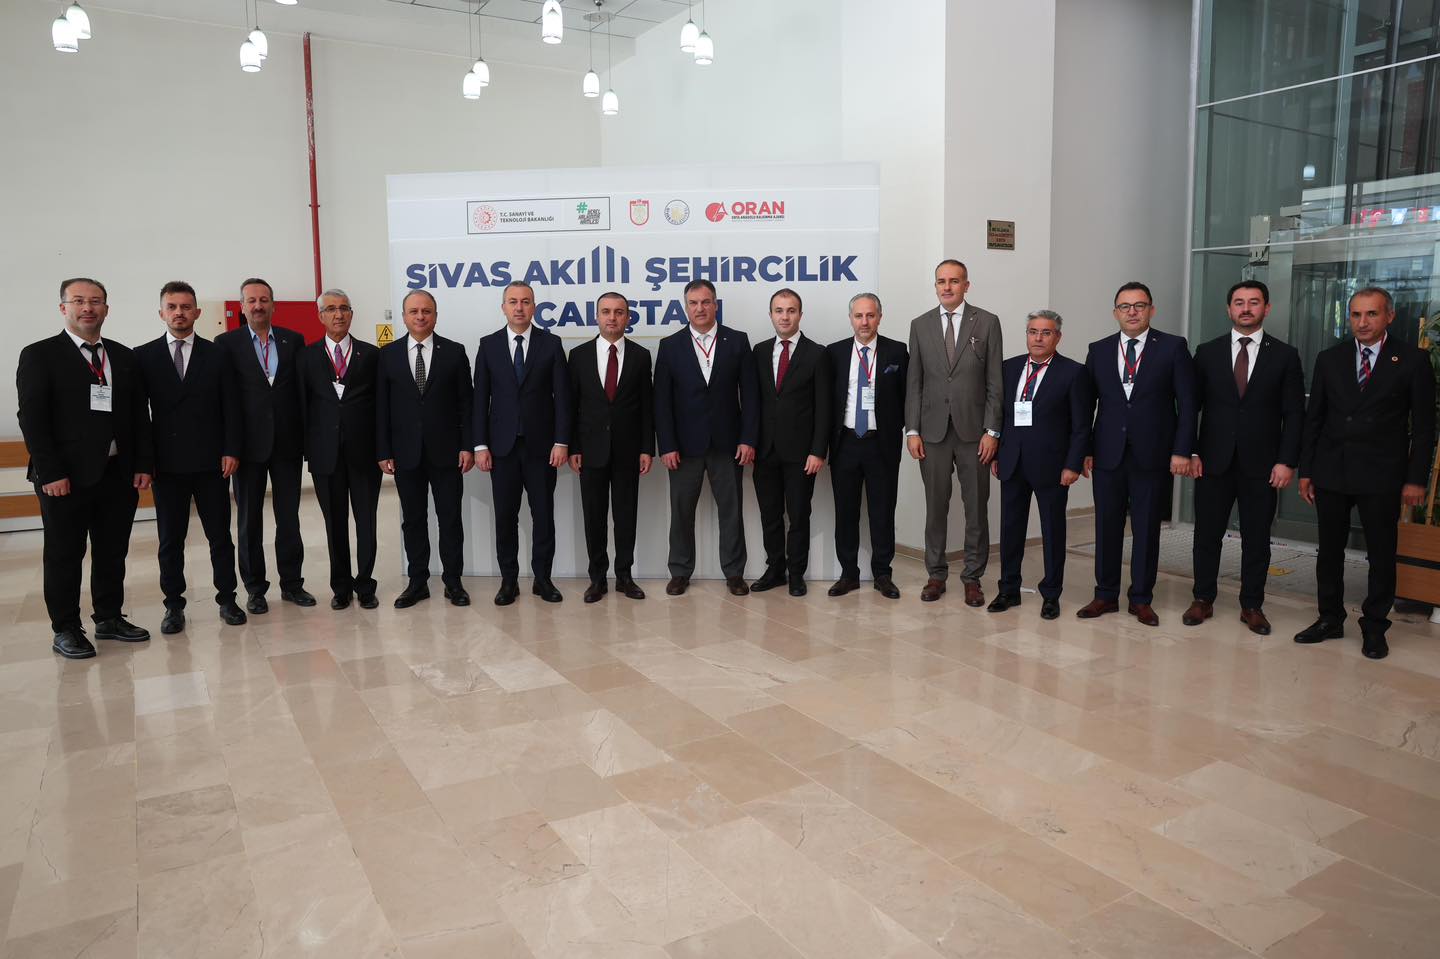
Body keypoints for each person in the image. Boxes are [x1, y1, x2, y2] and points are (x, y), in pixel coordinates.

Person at [1296, 286, 1435, 660]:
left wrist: (1415, 479)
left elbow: (1425, 428)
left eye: (1371, 314)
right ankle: (1329, 619)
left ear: (1389, 316)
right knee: (1329, 552)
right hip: (1332, 470)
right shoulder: (1330, 358)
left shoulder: (1412, 360)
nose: (1362, 322)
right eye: (1356, 314)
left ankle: (1375, 627)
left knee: (1381, 554)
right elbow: (1314, 419)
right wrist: (1307, 471)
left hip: (1382, 474)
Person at [18, 278, 153, 659]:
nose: (88, 308)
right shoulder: (40, 355)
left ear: (106, 309)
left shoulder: (123, 357)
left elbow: (138, 416)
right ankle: (65, 627)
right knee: (64, 553)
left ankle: (108, 617)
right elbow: (32, 418)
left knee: (112, 550)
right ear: (64, 308)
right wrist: (50, 472)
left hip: (117, 473)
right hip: (65, 478)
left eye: (95, 301)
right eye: (78, 301)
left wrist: (142, 463)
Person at [1184, 280, 1305, 636]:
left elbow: (1294, 414)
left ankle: (1252, 604)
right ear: (1229, 309)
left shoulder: (1284, 355)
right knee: (1207, 535)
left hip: (1263, 465)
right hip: (1212, 462)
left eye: (1254, 302)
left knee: (1257, 538)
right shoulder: (1207, 352)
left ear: (1267, 308)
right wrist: (1191, 450)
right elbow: (1191, 406)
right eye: (1239, 302)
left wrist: (1286, 461)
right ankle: (1203, 598)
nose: (1246, 308)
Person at [1079, 281, 1197, 626]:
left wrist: (1182, 450)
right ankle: (1105, 595)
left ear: (1151, 310)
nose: (1132, 312)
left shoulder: (1173, 347)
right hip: (1107, 454)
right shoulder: (1099, 349)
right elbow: (1086, 406)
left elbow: (1188, 404)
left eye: (1139, 305)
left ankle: (1141, 598)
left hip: (1153, 453)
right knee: (1106, 525)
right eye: (1125, 306)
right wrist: (1085, 449)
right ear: (1115, 312)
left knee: (1146, 528)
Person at [134, 280, 246, 634]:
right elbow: (138, 417)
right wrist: (144, 463)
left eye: (185, 307)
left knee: (220, 537)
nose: (179, 313)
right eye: (172, 307)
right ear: (161, 313)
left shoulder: (217, 354)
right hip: (166, 466)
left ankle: (227, 599)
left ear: (197, 312)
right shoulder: (143, 356)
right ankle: (173, 605)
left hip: (212, 463)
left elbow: (231, 406)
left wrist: (231, 449)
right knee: (171, 540)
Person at [905, 259, 1004, 605]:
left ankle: (972, 577)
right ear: (935, 286)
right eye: (941, 281)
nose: (947, 287)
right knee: (935, 507)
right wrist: (912, 430)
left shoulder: (987, 322)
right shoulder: (920, 325)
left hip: (974, 433)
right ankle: (936, 575)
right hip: (931, 432)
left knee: (976, 507)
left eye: (954, 281)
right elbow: (914, 383)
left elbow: (995, 383)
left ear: (966, 285)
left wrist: (992, 431)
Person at [653, 279, 760, 596]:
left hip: (728, 444)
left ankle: (735, 573)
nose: (700, 308)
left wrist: (748, 438)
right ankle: (680, 571)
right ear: (686, 307)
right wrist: (667, 444)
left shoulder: (737, 341)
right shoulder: (670, 345)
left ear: (715, 304)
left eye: (705, 302)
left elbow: (751, 396)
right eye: (693, 303)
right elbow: (662, 401)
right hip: (683, 448)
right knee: (681, 513)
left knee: (731, 512)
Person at [216, 277, 314, 612]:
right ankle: (255, 589)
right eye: (251, 301)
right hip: (246, 449)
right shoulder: (226, 344)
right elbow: (224, 399)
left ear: (273, 305)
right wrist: (229, 446)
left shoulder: (293, 340)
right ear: (242, 307)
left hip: (287, 445)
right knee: (249, 521)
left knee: (289, 519)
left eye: (264, 300)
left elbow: (301, 393)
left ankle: (292, 584)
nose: (258, 306)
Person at [987, 309, 1090, 620]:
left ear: (1058, 337)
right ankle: (1008, 590)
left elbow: (1081, 426)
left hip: (1053, 466)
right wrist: (997, 453)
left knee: (1053, 530)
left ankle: (1051, 594)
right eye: (1033, 332)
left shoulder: (1073, 372)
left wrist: (1073, 464)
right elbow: (1000, 414)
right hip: (1012, 461)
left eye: (1046, 332)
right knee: (1010, 528)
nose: (1038, 338)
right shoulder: (1008, 368)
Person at [474, 281, 571, 605]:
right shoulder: (488, 345)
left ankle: (543, 579)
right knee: (505, 517)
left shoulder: (551, 343)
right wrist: (480, 445)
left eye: (526, 301)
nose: (519, 307)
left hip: (542, 448)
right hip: (501, 449)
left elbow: (563, 397)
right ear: (503, 307)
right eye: (513, 301)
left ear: (534, 307)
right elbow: (480, 399)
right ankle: (509, 581)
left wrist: (561, 441)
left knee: (543, 516)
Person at [376, 290, 475, 608]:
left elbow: (467, 404)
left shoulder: (454, 352)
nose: (420, 316)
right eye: (414, 311)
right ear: (404, 316)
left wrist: (467, 446)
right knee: (413, 520)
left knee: (450, 519)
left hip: (447, 452)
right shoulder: (388, 355)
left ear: (435, 315)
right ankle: (417, 582)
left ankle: (453, 582)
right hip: (405, 453)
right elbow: (382, 408)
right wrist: (383, 450)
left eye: (426, 311)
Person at [568, 292, 654, 602]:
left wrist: (647, 448)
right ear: (597, 316)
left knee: (625, 516)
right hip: (590, 451)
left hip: (628, 451)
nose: (612, 317)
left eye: (619, 312)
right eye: (606, 311)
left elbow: (647, 407)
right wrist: (573, 447)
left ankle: (624, 576)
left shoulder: (641, 356)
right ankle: (597, 579)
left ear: (628, 317)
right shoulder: (578, 355)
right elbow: (571, 406)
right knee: (594, 517)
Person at [301, 289, 382, 610]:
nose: (338, 314)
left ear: (352, 314)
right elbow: (302, 406)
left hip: (365, 454)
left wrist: (383, 450)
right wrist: (308, 449)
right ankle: (341, 587)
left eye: (344, 308)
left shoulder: (371, 355)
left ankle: (365, 585)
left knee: (366, 522)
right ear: (320, 315)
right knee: (334, 524)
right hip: (325, 456)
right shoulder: (306, 357)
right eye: (331, 309)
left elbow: (381, 405)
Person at [750, 289, 832, 596]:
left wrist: (818, 450)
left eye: (791, 310)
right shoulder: (759, 351)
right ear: (771, 314)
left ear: (800, 314)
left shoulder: (817, 353)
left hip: (801, 453)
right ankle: (775, 570)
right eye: (779, 310)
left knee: (798, 515)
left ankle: (796, 573)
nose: (785, 317)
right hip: (765, 450)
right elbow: (753, 402)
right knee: (769, 515)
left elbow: (824, 407)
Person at [827, 293, 908, 599]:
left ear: (879, 317)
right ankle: (848, 574)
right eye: (859, 316)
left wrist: (901, 428)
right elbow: (827, 400)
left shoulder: (897, 351)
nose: (864, 321)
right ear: (851, 318)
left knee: (882, 512)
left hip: (881, 444)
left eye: (870, 315)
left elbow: (907, 397)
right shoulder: (834, 353)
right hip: (845, 443)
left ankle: (883, 574)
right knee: (846, 512)